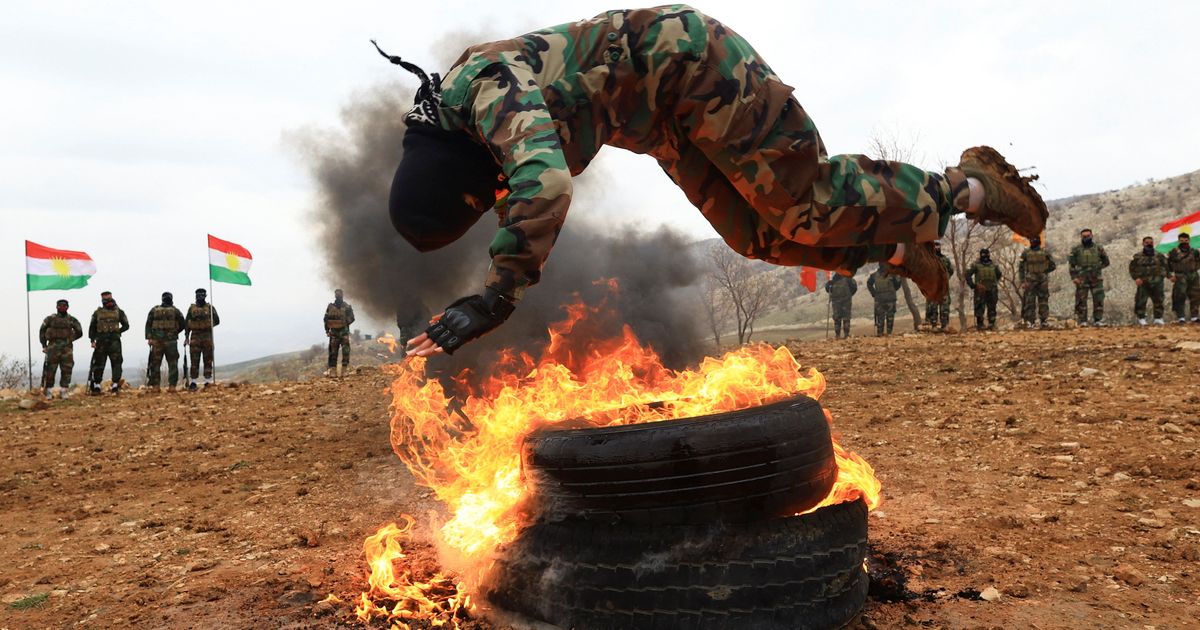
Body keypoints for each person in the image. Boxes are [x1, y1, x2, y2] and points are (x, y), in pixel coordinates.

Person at [375, 5, 1047, 357]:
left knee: (803, 199)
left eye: (486, 195)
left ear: (460, 175)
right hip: (663, 121)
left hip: (692, 65)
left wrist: (496, 298)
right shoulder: (461, 130)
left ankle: (970, 186)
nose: (497, 197)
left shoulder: (484, 89)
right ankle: (900, 249)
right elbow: (521, 186)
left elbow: (544, 185)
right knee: (759, 236)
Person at [87, 291, 130, 394]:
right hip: (101, 342)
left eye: (109, 297)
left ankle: (115, 384)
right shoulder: (98, 312)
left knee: (116, 363)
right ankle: (96, 385)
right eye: (105, 298)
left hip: (114, 342)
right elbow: (92, 327)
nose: (107, 300)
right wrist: (92, 340)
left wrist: (118, 331)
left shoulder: (118, 312)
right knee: (99, 364)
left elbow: (126, 325)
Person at [39, 299, 83, 399]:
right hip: (52, 347)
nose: (62, 307)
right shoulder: (50, 319)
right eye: (60, 306)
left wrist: (71, 338)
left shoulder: (71, 319)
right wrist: (44, 345)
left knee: (67, 369)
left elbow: (79, 332)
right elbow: (42, 331)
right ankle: (49, 391)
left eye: (64, 306)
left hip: (66, 349)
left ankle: (64, 391)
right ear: (56, 307)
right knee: (50, 369)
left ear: (67, 307)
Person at [145, 292, 186, 392]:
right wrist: (174, 332)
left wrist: (150, 338)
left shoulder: (154, 310)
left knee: (156, 364)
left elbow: (148, 324)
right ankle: (172, 386)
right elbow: (183, 324)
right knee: (172, 364)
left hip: (158, 341)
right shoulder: (175, 311)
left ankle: (156, 386)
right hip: (170, 341)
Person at [1068, 228, 1110, 326]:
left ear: (1092, 236)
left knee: (1098, 299)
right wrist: (1074, 277)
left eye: (1088, 236)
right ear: (1081, 237)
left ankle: (1098, 320)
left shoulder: (1098, 248)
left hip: (1096, 278)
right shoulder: (1076, 249)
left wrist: (1098, 268)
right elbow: (1071, 265)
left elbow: (1106, 262)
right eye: (1084, 236)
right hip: (1082, 279)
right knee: (1081, 300)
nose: (1086, 238)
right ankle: (1082, 321)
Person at [1128, 236, 1168, 326]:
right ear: (1143, 243)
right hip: (1143, 282)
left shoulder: (1159, 255)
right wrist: (1136, 278)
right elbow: (1132, 269)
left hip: (1157, 282)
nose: (1149, 244)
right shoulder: (1137, 256)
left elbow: (1166, 266)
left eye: (1151, 242)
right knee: (1141, 300)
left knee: (1159, 300)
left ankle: (1158, 318)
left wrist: (1166, 276)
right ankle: (1141, 318)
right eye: (1147, 242)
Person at [185, 288, 220, 389]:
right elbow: (187, 323)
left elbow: (217, 320)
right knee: (194, 361)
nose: (200, 297)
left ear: (205, 296)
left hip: (207, 337)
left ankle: (207, 381)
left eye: (202, 294)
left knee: (208, 359)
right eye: (198, 295)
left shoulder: (210, 308)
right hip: (195, 337)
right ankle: (193, 382)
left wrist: (208, 324)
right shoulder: (191, 309)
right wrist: (187, 337)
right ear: (195, 296)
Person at [1018, 236, 1056, 328]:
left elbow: (1052, 265)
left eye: (1035, 240)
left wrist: (1044, 271)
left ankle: (1044, 320)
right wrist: (1022, 281)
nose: (1033, 242)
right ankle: (1030, 321)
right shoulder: (1026, 253)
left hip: (1042, 280)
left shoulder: (1045, 252)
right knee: (1029, 301)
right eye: (1032, 240)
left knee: (1043, 300)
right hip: (1030, 281)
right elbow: (1021, 268)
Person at [1167, 232, 1200, 323]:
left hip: (1193, 276)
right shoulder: (1173, 252)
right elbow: (1167, 265)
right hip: (1180, 276)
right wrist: (1170, 276)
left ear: (1189, 240)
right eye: (1182, 240)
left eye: (1186, 240)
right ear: (1178, 240)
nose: (1184, 242)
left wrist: (1194, 269)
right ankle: (1181, 317)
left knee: (1195, 296)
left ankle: (1194, 316)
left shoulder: (1195, 251)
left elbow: (1198, 262)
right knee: (1179, 296)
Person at [966, 248, 1002, 331]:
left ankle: (991, 324)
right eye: (983, 254)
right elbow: (968, 275)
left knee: (992, 306)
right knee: (979, 307)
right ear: (980, 255)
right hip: (980, 290)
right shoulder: (975, 265)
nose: (985, 256)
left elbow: (999, 275)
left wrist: (994, 283)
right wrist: (974, 285)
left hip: (992, 289)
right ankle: (980, 324)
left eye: (986, 254)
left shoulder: (994, 265)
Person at [324, 289, 356, 377]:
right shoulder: (330, 307)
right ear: (335, 295)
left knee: (346, 351)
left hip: (344, 332)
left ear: (342, 295)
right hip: (334, 333)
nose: (338, 295)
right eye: (336, 294)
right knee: (333, 352)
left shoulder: (346, 306)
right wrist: (327, 330)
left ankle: (344, 369)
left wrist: (345, 322)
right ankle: (333, 370)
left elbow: (352, 318)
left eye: (339, 294)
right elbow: (326, 319)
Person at [924, 241, 954, 332]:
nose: (937, 248)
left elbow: (951, 271)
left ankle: (944, 325)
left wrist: (946, 278)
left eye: (938, 246)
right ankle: (934, 325)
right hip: (932, 287)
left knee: (944, 307)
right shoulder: (928, 259)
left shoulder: (945, 259)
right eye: (935, 246)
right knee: (933, 306)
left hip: (943, 287)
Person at [866, 265, 902, 336]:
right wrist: (892, 291)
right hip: (887, 299)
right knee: (889, 317)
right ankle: (888, 333)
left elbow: (869, 284)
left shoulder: (875, 275)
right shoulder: (891, 274)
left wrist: (874, 293)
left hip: (881, 299)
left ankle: (881, 333)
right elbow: (897, 284)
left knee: (881, 318)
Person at [824, 273, 857, 339]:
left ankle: (838, 335)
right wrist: (849, 295)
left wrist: (829, 284)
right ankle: (846, 335)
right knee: (846, 318)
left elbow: (828, 289)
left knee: (837, 319)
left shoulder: (833, 280)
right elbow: (854, 287)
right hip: (846, 301)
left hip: (836, 302)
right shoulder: (848, 279)